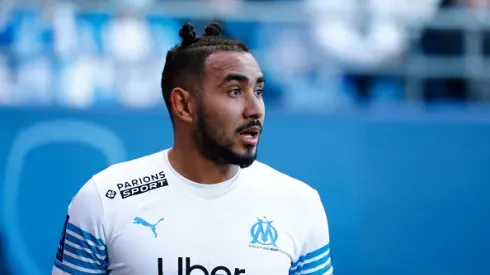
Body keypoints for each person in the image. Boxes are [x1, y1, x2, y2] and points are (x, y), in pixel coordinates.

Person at [51, 22, 334, 275]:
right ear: (183, 105)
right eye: (235, 91)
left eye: (258, 91)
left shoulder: (300, 204)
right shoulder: (104, 198)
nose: (255, 109)